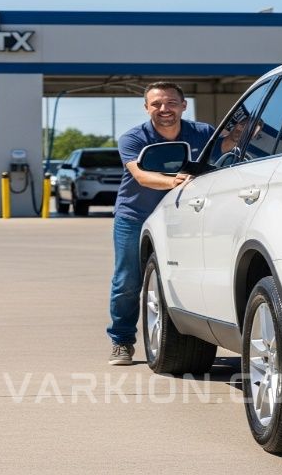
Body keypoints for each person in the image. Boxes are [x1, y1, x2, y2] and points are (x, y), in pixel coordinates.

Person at [107, 81, 214, 365]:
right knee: (127, 282)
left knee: (189, 274)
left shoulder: (202, 133)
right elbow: (141, 176)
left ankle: (196, 335)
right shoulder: (133, 138)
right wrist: (174, 182)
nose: (164, 109)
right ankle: (121, 342)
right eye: (156, 104)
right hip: (135, 215)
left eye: (170, 103)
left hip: (182, 218)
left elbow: (223, 152)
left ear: (183, 105)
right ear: (146, 108)